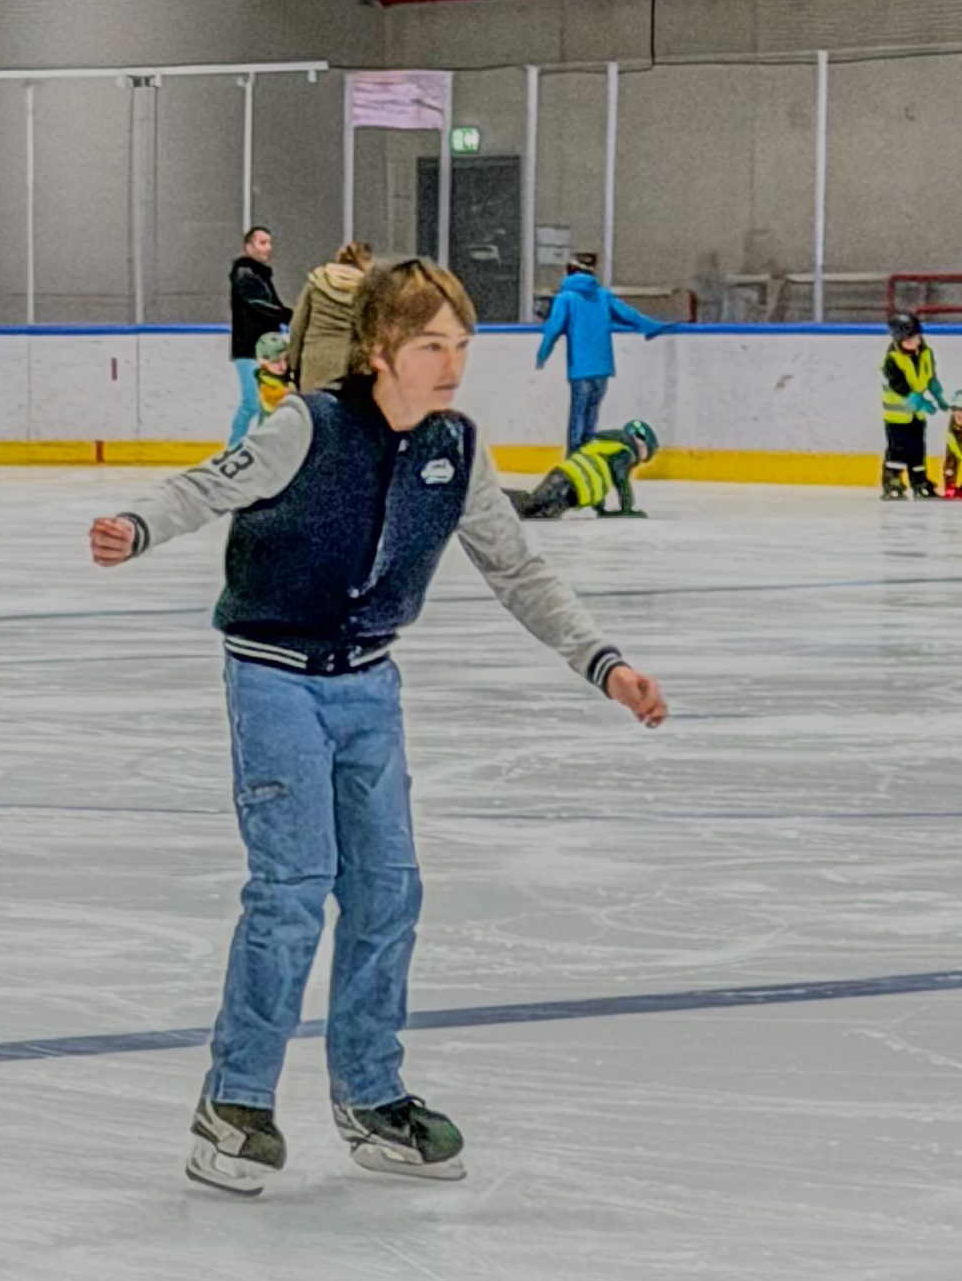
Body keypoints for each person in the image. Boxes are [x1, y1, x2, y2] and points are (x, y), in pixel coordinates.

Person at [88, 260, 668, 1197]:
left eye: (462, 345)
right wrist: (137, 525)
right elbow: (207, 485)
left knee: (388, 891)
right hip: (275, 677)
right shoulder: (308, 426)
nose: (452, 365)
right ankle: (234, 1103)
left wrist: (603, 662)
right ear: (379, 351)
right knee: (292, 890)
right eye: (431, 345)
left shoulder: (454, 448)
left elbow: (518, 570)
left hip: (368, 684)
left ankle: (370, 1094)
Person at [534, 253, 676, 451]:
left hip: (580, 369)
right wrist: (652, 327)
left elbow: (554, 327)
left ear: (569, 271)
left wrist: (542, 354)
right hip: (602, 368)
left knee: (578, 416)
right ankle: (589, 454)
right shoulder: (603, 296)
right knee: (591, 417)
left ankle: (574, 457)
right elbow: (628, 315)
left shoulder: (566, 298)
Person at [511, 419, 660, 521]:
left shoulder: (605, 443)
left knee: (536, 507)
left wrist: (600, 509)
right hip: (571, 486)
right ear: (641, 442)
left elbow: (597, 473)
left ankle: (503, 502)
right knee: (536, 507)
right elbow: (620, 479)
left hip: (567, 481)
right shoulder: (625, 451)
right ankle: (500, 500)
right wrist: (627, 507)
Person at [226, 225, 290, 445]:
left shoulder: (261, 275)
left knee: (267, 405)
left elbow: (274, 306)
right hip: (248, 349)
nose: (268, 248)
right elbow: (259, 304)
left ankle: (262, 448)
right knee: (252, 403)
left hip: (267, 349)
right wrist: (287, 315)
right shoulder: (245, 274)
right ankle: (233, 448)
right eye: (262, 243)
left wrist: (289, 317)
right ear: (248, 247)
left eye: (269, 243)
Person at [283, 240, 373, 395]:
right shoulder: (367, 289)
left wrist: (292, 364)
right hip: (347, 366)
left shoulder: (317, 281)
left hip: (313, 362)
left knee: (313, 408)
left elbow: (298, 326)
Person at [879, 312, 943, 501]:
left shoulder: (925, 352)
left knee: (917, 449)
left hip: (917, 415)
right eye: (909, 339)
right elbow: (901, 387)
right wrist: (919, 401)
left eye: (916, 337)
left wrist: (937, 393)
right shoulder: (892, 359)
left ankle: (919, 482)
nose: (915, 342)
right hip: (897, 416)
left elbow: (929, 375)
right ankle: (892, 482)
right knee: (897, 450)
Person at [253, 331, 294, 414]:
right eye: (276, 361)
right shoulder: (266, 388)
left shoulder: (287, 374)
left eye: (286, 359)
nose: (284, 366)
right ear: (264, 363)